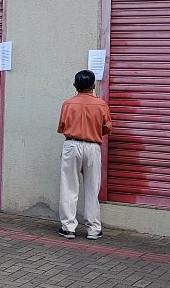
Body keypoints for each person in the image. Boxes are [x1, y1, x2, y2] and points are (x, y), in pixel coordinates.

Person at [57, 70, 112, 240]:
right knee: (92, 188)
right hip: (93, 146)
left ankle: (68, 228)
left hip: (71, 145)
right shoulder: (101, 104)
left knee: (69, 187)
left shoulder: (68, 104)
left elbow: (61, 127)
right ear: (93, 85)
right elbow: (106, 129)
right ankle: (94, 228)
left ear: (75, 86)